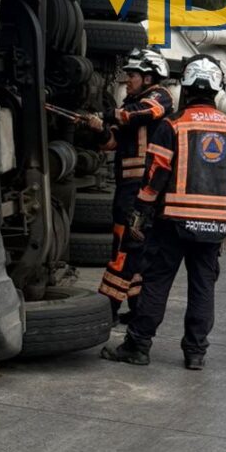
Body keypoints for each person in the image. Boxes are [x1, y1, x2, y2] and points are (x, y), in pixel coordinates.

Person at [103, 55, 226, 371]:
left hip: (171, 222)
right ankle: (195, 353)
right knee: (202, 287)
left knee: (157, 283)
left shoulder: (174, 126)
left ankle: (138, 346)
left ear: (186, 87)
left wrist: (140, 212)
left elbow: (155, 174)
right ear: (217, 89)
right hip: (213, 225)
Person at [87, 49, 174, 329]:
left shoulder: (159, 96)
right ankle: (137, 308)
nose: (127, 79)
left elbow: (148, 112)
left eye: (133, 75)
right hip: (127, 188)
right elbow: (111, 144)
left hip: (141, 189)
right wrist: (99, 128)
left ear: (149, 77)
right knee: (134, 251)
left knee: (123, 249)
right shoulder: (131, 106)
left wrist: (110, 114)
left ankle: (106, 308)